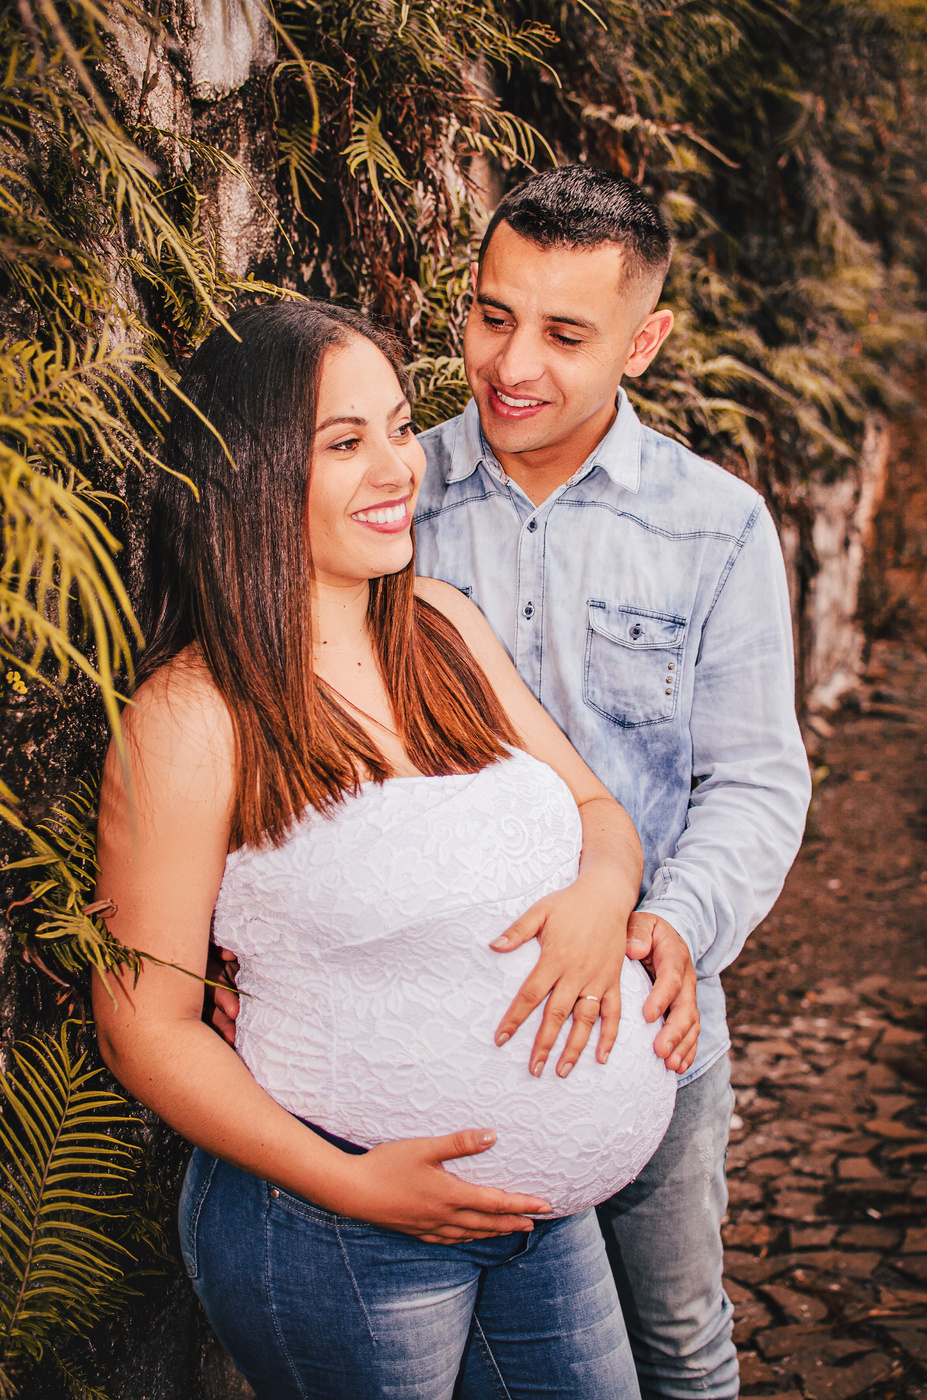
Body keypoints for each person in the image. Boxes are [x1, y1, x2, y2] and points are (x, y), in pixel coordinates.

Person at [92, 300, 697, 1400]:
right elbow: (145, 1024)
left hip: (540, 1213)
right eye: (344, 442)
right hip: (338, 1225)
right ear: (248, 473)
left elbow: (596, 809)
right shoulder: (191, 718)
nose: (398, 467)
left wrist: (604, 897)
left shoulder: (442, 628)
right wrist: (357, 1186)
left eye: (400, 426)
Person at [409, 165, 813, 1399]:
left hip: (652, 1026)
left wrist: (672, 924)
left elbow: (755, 778)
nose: (511, 363)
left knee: (678, 1338)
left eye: (566, 334)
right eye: (492, 315)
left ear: (645, 341)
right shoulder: (388, 499)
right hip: (440, 1028)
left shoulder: (717, 524)